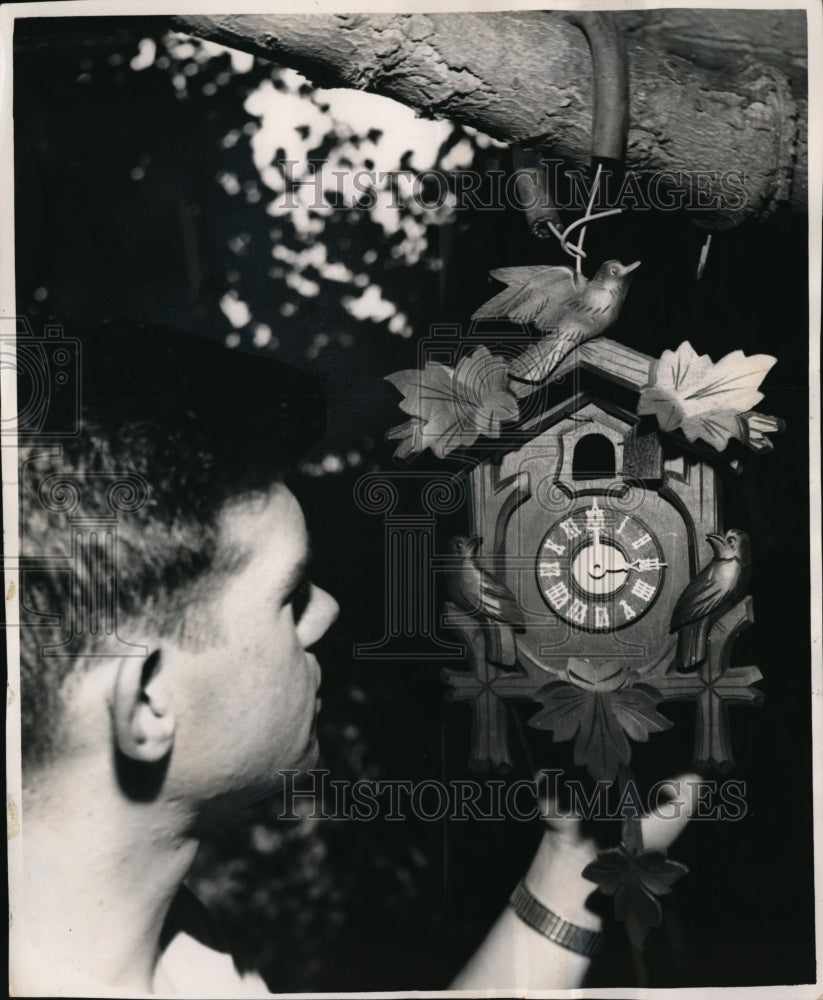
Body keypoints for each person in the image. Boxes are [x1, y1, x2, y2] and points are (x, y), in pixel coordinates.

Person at [10, 321, 695, 996]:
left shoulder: (173, 948)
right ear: (150, 699)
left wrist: (575, 860)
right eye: (289, 595)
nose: (326, 613)